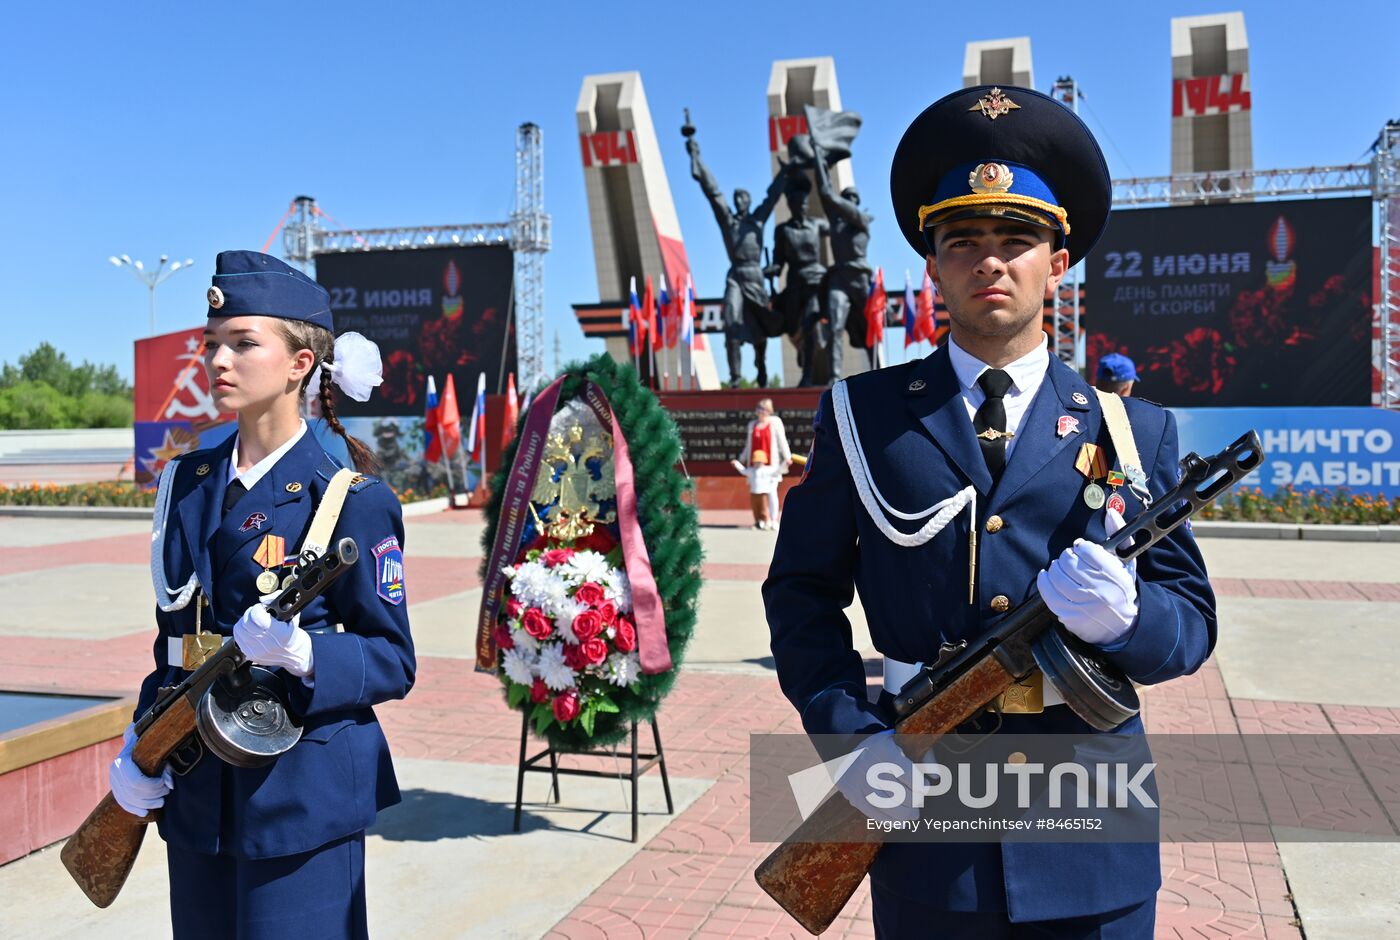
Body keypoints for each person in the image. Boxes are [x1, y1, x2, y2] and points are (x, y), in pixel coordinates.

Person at [765, 86, 1215, 938]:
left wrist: (1127, 621)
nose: (991, 262)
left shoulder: (1134, 429)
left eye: (1018, 240)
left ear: (1060, 258)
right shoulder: (864, 416)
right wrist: (851, 736)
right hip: (927, 821)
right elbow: (800, 595)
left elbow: (1189, 625)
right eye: (963, 241)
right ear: (932, 264)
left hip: (1094, 828)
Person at [107, 250, 416, 939]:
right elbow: (176, 638)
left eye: (244, 344)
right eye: (213, 344)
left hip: (298, 798)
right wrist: (141, 742)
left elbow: (393, 660)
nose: (219, 360)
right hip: (195, 793)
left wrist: (305, 653)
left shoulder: (351, 500)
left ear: (300, 364)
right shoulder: (186, 482)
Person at [687, 130, 788, 387]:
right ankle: (734, 378)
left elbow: (772, 197)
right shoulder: (728, 223)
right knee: (731, 319)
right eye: (736, 198)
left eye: (743, 197)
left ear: (748, 200)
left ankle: (762, 368)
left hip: (755, 275)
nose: (738, 201)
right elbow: (713, 193)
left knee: (759, 328)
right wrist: (696, 157)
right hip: (735, 276)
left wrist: (785, 171)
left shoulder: (757, 221)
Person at [765, 175, 830, 386]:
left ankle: (807, 375)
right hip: (794, 284)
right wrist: (770, 270)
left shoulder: (818, 225)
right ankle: (802, 347)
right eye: (797, 203)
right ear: (791, 205)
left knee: (810, 323)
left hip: (816, 282)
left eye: (803, 203)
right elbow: (778, 261)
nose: (801, 206)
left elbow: (839, 226)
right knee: (791, 325)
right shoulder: (783, 231)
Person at [735, 398, 791, 530]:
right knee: (758, 494)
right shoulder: (752, 425)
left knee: (772, 492)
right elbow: (748, 446)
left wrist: (788, 457)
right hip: (756, 466)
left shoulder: (775, 422)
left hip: (771, 466)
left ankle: (773, 519)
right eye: (758, 408)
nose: (760, 411)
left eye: (763, 409)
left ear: (769, 411)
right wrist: (741, 460)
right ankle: (761, 520)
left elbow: (782, 441)